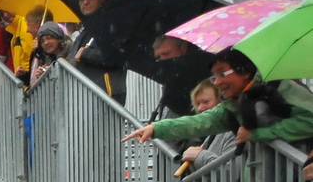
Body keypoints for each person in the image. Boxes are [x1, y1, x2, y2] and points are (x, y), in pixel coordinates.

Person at [129, 47, 313, 156]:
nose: (217, 82)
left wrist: (258, 134)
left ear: (245, 71)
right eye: (214, 75)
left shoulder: (279, 86)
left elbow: (310, 120)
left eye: (223, 73)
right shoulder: (233, 104)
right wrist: (157, 128)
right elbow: (201, 122)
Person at [68, 0, 128, 105]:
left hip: (106, 94)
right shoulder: (87, 29)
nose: (86, 2)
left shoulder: (113, 23)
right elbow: (74, 58)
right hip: (84, 96)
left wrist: (86, 54)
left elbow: (117, 56)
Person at [29, 21, 68, 86]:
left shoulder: (71, 51)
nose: (46, 43)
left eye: (49, 38)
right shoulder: (47, 60)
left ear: (58, 37)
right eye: (42, 41)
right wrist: (42, 76)